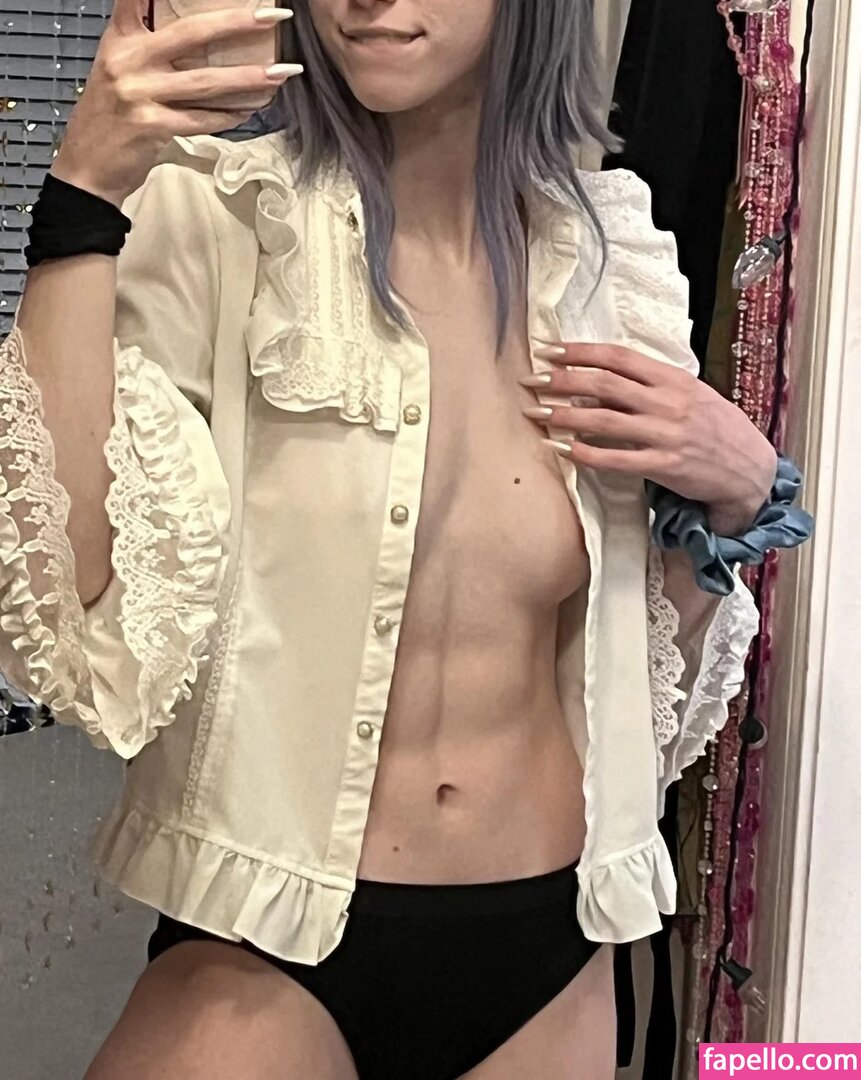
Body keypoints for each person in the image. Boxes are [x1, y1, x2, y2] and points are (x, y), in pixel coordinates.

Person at [0, 1, 811, 1077]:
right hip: (265, 941)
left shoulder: (610, 261)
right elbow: (60, 604)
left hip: (552, 946)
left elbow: (636, 667)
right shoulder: (218, 220)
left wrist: (740, 493)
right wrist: (81, 199)